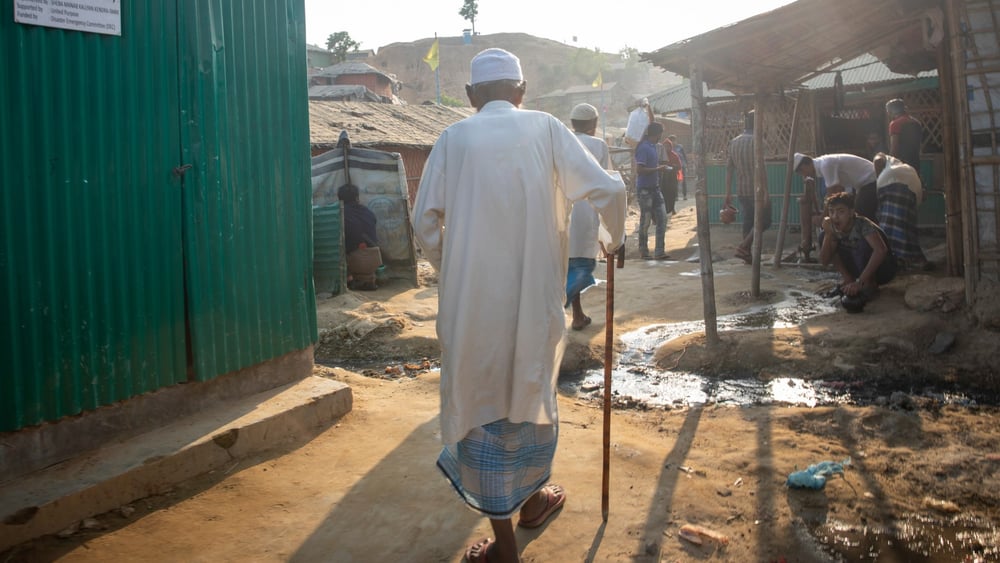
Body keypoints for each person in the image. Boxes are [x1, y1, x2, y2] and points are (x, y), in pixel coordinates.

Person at [411, 48, 627, 563]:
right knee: (527, 395)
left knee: (484, 407)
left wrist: (453, 268)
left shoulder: (451, 139)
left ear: (470, 97)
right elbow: (608, 188)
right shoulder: (547, 129)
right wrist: (612, 239)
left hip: (471, 309)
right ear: (522, 92)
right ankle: (524, 517)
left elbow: (424, 223)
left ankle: (514, 530)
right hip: (534, 303)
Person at [566, 103, 611, 331]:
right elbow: (608, 185)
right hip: (586, 211)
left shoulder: (563, 142)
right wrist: (611, 228)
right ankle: (575, 314)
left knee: (566, 263)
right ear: (593, 124)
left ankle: (576, 312)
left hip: (560, 211)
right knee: (580, 264)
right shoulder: (598, 145)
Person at [818, 191, 897, 313]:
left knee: (863, 244)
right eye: (831, 211)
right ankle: (848, 280)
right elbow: (824, 261)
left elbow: (881, 251)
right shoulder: (833, 228)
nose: (835, 216)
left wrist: (860, 282)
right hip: (858, 267)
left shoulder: (863, 224)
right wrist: (828, 234)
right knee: (824, 238)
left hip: (883, 269)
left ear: (851, 212)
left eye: (841, 211)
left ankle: (869, 285)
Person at [794, 152, 878, 261]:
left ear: (806, 164)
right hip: (863, 184)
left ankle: (867, 253)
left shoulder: (825, 165)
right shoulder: (823, 165)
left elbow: (833, 193)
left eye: (802, 172)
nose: (804, 175)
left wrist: (823, 218)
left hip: (870, 180)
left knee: (860, 219)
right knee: (858, 218)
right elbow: (838, 191)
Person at [724, 111, 770, 264]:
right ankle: (744, 246)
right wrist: (765, 193)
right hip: (757, 190)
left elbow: (729, 169)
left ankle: (747, 254)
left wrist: (728, 192)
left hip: (742, 190)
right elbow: (762, 169)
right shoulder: (759, 141)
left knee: (748, 221)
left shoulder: (734, 142)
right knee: (764, 221)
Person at [873, 152, 928, 269]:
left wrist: (877, 179)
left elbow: (878, 159)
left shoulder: (884, 159)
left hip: (890, 182)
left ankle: (894, 259)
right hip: (910, 190)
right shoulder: (905, 167)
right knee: (905, 225)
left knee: (888, 224)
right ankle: (913, 259)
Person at [635, 121, 671, 260]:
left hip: (654, 188)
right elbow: (640, 170)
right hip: (645, 189)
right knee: (646, 221)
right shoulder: (644, 148)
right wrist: (658, 169)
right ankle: (644, 251)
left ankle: (659, 251)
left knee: (662, 218)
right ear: (657, 134)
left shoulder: (653, 147)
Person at [339, 183, 381, 291]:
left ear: (340, 199)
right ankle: (368, 280)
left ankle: (350, 280)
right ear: (357, 197)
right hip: (376, 258)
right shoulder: (368, 212)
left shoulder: (341, 213)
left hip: (357, 260)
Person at [886, 98, 924, 170]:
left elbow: (894, 148)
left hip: (901, 163)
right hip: (915, 161)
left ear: (891, 111)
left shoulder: (895, 124)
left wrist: (889, 164)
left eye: (888, 111)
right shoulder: (916, 122)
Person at [658, 134, 683, 214]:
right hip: (663, 178)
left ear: (671, 146)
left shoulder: (674, 155)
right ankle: (664, 209)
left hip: (672, 177)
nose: (666, 148)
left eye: (668, 146)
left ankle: (672, 208)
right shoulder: (660, 155)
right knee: (663, 193)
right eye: (665, 146)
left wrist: (673, 166)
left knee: (672, 193)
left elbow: (679, 166)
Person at [669, 135, 688, 200]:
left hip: (682, 166)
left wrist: (686, 164)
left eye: (673, 140)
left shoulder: (680, 147)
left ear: (675, 140)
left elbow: (684, 156)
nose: (672, 142)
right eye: (671, 141)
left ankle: (685, 195)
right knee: (675, 181)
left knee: (684, 181)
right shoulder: (670, 148)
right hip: (675, 167)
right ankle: (676, 196)